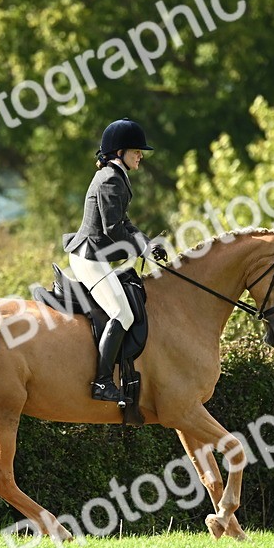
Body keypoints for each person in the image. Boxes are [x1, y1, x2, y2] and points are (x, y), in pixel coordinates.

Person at [62, 117, 167, 403]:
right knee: (123, 313)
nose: (141, 156)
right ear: (119, 153)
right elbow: (113, 230)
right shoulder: (110, 179)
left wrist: (146, 243)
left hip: (97, 256)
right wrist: (140, 250)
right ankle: (102, 382)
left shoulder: (116, 177)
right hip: (89, 258)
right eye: (136, 151)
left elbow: (124, 222)